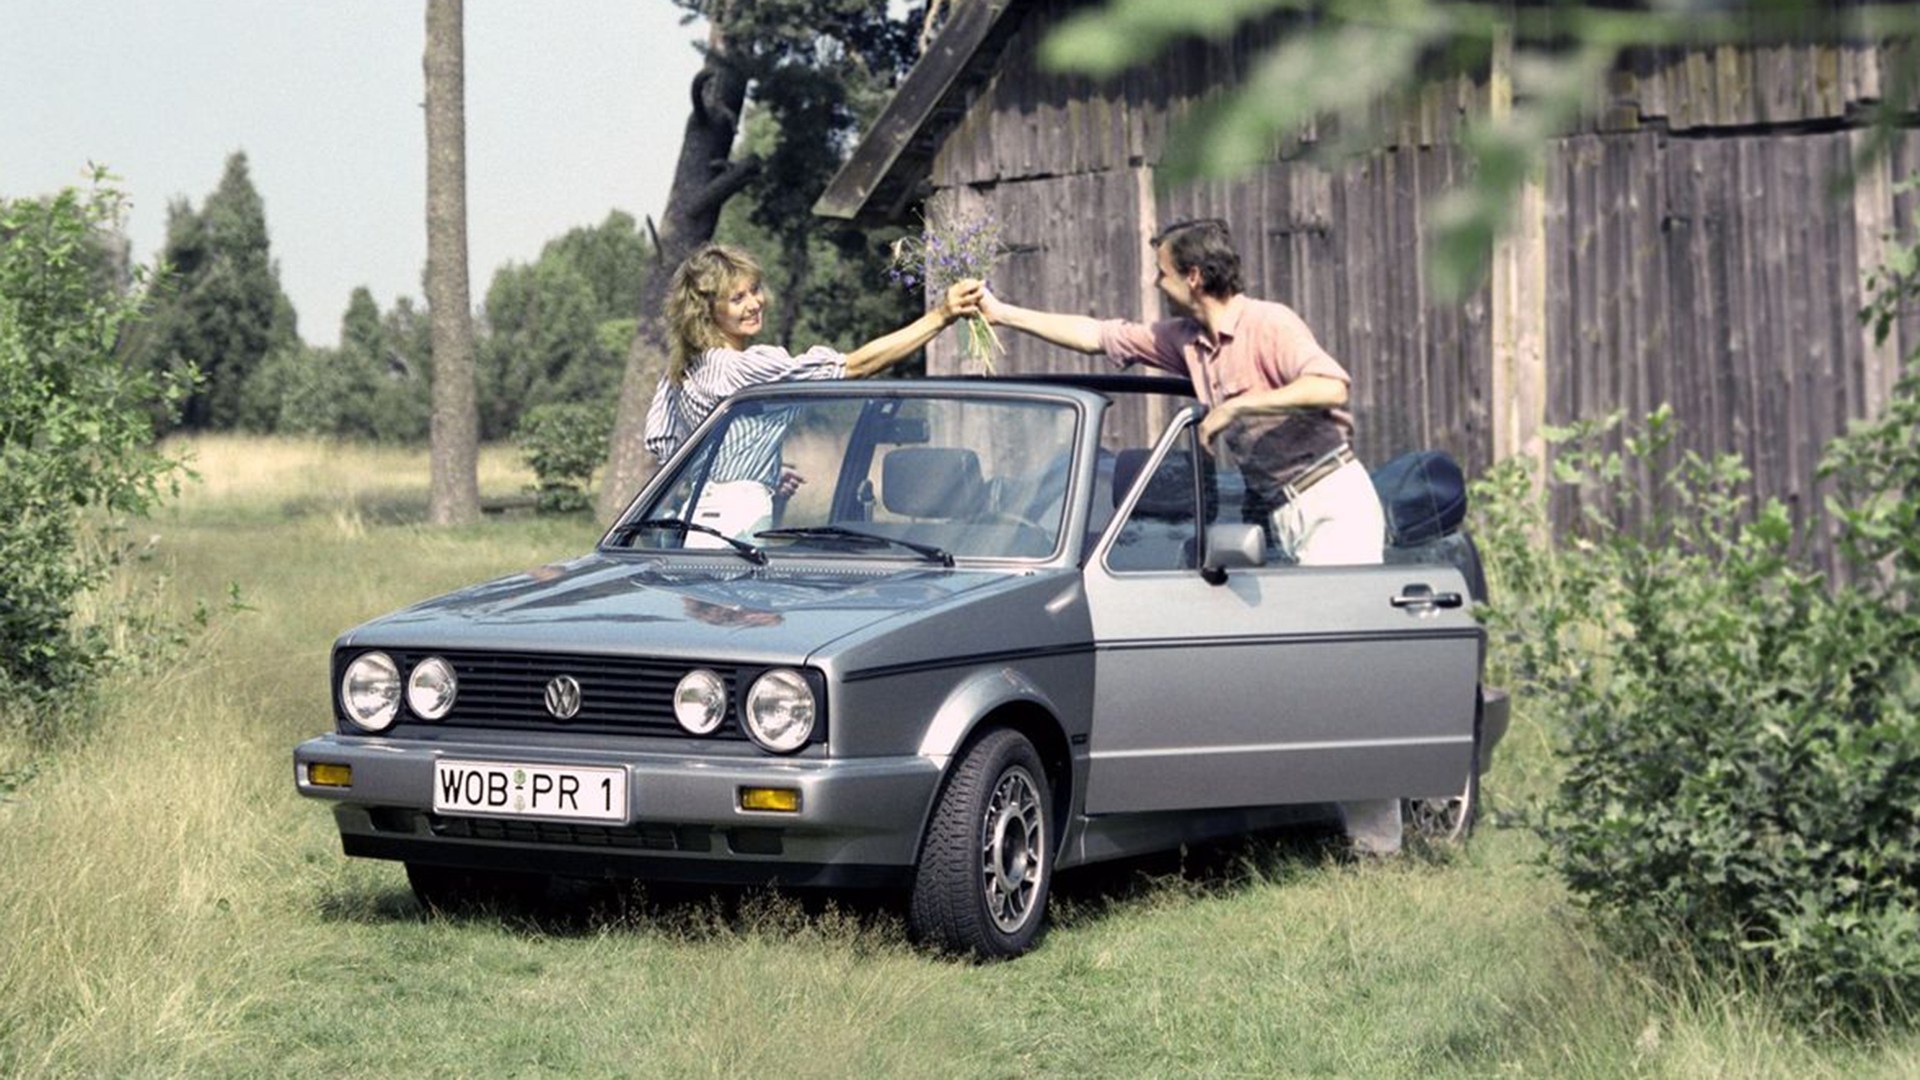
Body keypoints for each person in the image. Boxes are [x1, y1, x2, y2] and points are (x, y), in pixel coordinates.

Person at [979, 218, 1400, 854]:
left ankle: (1377, 848)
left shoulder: (1269, 323)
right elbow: (1098, 336)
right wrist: (1001, 312)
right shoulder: (1187, 341)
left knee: (1345, 674)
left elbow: (1330, 384)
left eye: (1163, 270)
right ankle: (1283, 822)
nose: (1156, 280)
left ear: (1194, 277)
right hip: (1274, 508)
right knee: (1279, 672)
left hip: (1330, 498)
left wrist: (1236, 407)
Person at [643, 243, 982, 539]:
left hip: (695, 521)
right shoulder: (746, 367)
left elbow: (667, 447)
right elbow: (856, 366)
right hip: (740, 520)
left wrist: (752, 473)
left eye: (754, 290)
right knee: (750, 613)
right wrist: (941, 316)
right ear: (708, 310)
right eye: (737, 298)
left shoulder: (682, 369)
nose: (754, 303)